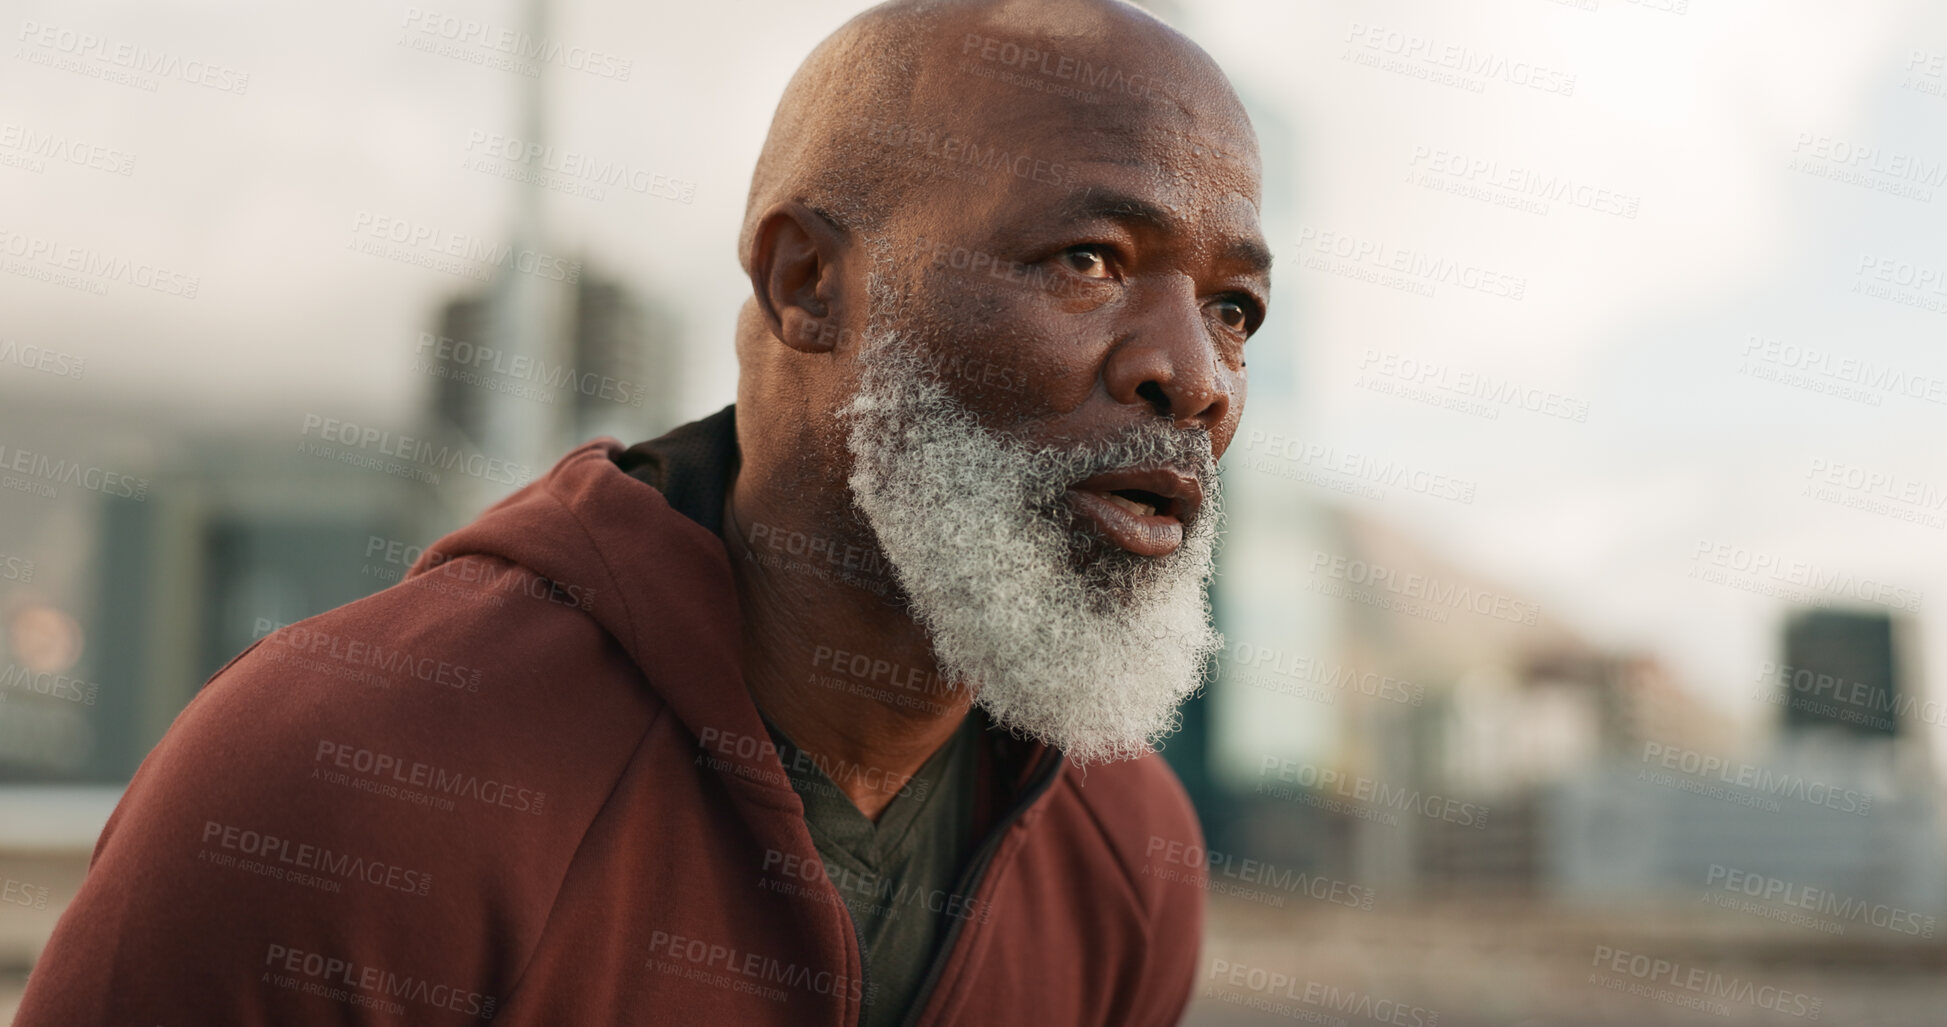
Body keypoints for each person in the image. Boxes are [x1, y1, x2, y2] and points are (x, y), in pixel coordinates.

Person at [17, 0, 1270, 1022]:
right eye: (1090, 260)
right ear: (807, 283)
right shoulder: (341, 782)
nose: (1198, 378)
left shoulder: (1124, 852)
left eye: (1234, 308)